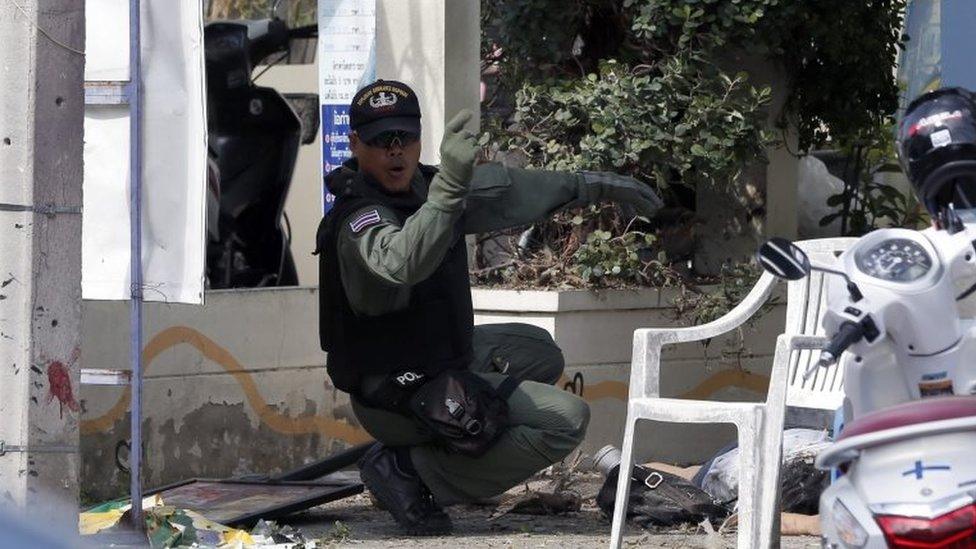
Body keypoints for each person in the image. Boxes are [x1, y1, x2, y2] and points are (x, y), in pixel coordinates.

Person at [316, 79, 663, 535]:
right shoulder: (359, 219)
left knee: (539, 350)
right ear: (355, 144)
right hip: (391, 387)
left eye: (406, 139)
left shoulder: (425, 188)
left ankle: (437, 450)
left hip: (434, 357)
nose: (396, 153)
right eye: (382, 142)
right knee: (566, 419)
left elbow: (503, 190)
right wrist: (447, 194)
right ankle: (412, 473)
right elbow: (401, 261)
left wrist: (585, 186)